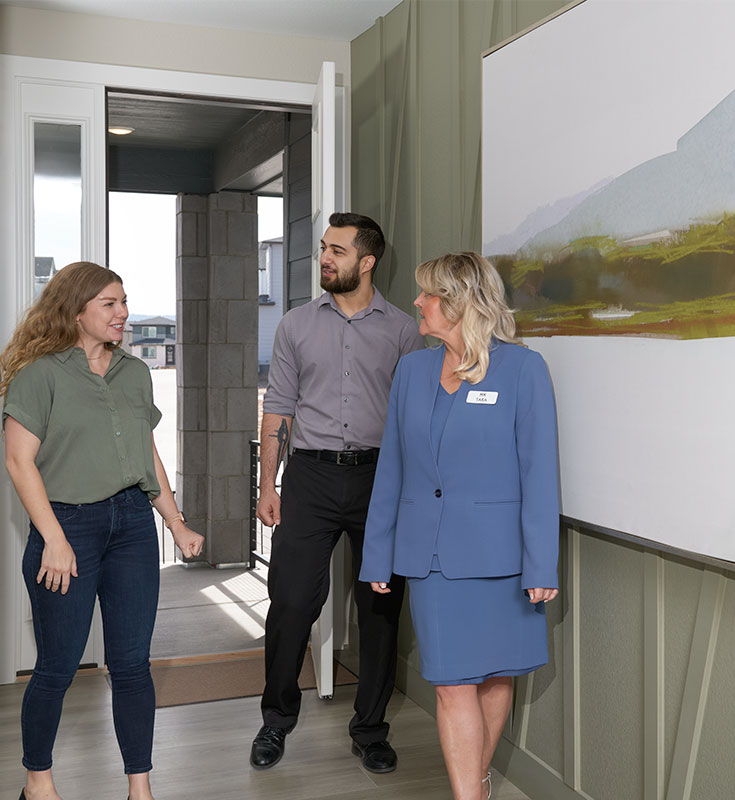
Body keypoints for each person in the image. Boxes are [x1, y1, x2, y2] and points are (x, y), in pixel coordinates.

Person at [361, 251, 560, 800]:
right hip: (432, 562)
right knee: (452, 684)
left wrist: (542, 563)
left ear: (458, 302)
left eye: (427, 294)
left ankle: (477, 781)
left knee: (497, 674)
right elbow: (393, 470)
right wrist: (378, 553)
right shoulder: (412, 369)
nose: (418, 302)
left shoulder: (523, 370)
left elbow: (539, 473)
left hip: (503, 560)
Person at [1, 262, 204, 800]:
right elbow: (20, 463)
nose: (123, 313)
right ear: (76, 311)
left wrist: (176, 523)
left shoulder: (134, 373)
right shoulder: (39, 374)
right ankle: (37, 782)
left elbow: (146, 455)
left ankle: (141, 787)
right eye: (110, 304)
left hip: (133, 526)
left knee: (133, 665)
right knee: (58, 666)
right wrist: (55, 540)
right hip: (66, 525)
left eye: (124, 302)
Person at [251, 212, 424, 773]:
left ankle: (371, 728)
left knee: (379, 609)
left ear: (367, 262)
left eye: (338, 251)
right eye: (324, 248)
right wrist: (267, 486)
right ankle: (275, 721)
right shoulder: (295, 326)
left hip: (381, 478)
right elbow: (277, 406)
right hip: (311, 477)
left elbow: (415, 416)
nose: (325, 258)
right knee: (292, 602)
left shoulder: (403, 330)